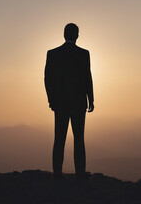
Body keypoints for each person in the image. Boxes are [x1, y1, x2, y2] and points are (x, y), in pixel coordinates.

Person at [44, 23, 94, 179]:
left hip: (60, 103)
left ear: (64, 34)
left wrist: (51, 100)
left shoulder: (52, 53)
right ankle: (80, 173)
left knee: (59, 138)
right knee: (79, 139)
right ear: (77, 35)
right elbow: (88, 78)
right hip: (79, 103)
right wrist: (91, 99)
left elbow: (47, 79)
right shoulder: (84, 54)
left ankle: (57, 173)